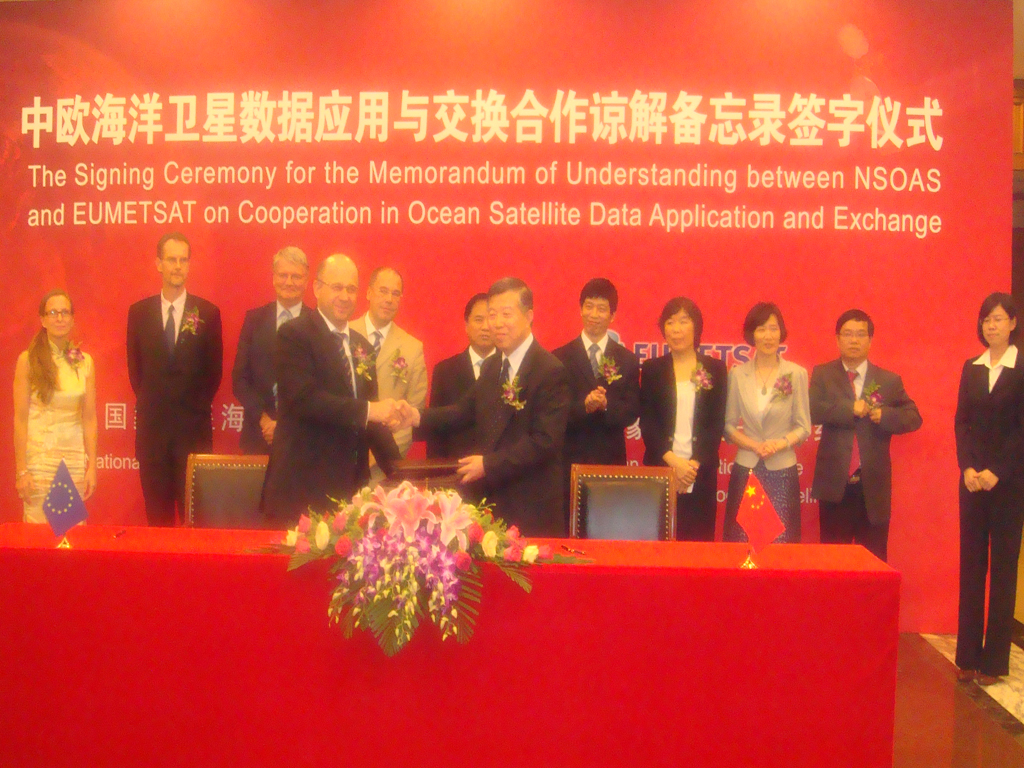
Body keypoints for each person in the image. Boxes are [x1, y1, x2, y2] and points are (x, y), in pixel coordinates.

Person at [402, 277, 570, 536]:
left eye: (506, 314)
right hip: (493, 504)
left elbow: (544, 442)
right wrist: (415, 417)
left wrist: (488, 465)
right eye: (492, 314)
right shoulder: (494, 365)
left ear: (529, 316)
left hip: (531, 507)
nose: (497, 323)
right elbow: (463, 411)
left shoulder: (550, 370)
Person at [259, 255, 402, 525]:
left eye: (351, 289)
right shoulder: (294, 334)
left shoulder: (362, 346)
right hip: (301, 490)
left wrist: (401, 474)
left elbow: (372, 420)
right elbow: (305, 400)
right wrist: (371, 410)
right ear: (317, 288)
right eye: (337, 287)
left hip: (350, 492)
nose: (345, 296)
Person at [810, 309, 922, 562]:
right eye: (848, 334)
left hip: (872, 488)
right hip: (834, 486)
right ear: (837, 339)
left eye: (861, 335)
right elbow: (812, 410)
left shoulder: (888, 380)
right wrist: (850, 408)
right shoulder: (823, 374)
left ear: (870, 340)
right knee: (832, 563)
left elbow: (914, 417)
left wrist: (886, 416)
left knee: (873, 563)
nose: (854, 340)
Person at [127, 233, 222, 527]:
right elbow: (136, 373)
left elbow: (213, 374)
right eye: (171, 259)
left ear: (189, 265)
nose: (177, 266)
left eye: (183, 260)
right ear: (159, 263)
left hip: (193, 436)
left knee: (195, 524)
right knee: (158, 523)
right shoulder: (139, 313)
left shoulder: (207, 313)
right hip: (153, 437)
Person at [953, 293, 1024, 686]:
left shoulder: (1021, 367)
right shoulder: (972, 367)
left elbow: (1020, 431)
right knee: (972, 566)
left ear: (1012, 323)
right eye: (986, 319)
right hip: (972, 482)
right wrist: (967, 467)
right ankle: (967, 656)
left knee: (1003, 570)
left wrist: (998, 470)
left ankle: (994, 662)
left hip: (1009, 484)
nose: (991, 326)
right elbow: (961, 422)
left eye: (998, 319)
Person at [554, 278, 640, 529]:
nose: (594, 314)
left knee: (607, 528)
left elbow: (632, 411)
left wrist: (605, 406)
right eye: (589, 307)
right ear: (580, 309)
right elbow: (554, 411)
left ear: (612, 316)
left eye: (601, 309)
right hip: (570, 458)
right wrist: (585, 405)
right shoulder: (559, 358)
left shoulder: (627, 360)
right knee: (568, 527)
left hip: (609, 458)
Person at [639, 297, 727, 541]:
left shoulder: (715, 368)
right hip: (661, 468)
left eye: (683, 321)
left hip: (700, 472)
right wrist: (673, 464)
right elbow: (648, 422)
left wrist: (691, 467)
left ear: (696, 327)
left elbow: (716, 423)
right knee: (658, 543)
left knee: (698, 545)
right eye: (670, 322)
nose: (676, 329)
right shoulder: (652, 369)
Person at [723, 302, 810, 543]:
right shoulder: (738, 374)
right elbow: (728, 426)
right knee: (744, 541)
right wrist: (754, 445)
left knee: (780, 543)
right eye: (761, 329)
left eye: (773, 329)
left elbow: (803, 427)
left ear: (781, 333)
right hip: (747, 467)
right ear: (752, 334)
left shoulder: (796, 374)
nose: (768, 336)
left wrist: (778, 444)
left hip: (782, 470)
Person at [14, 290, 97, 523]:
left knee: (70, 535)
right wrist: (22, 470)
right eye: (53, 313)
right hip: (39, 461)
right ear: (43, 320)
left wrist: (92, 466)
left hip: (73, 461)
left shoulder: (84, 362)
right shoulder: (28, 360)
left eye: (64, 312)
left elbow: (89, 418)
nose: (59, 318)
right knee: (39, 536)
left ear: (72, 318)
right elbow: (20, 419)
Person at [232, 246, 313, 455]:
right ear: (273, 277)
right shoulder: (254, 320)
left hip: (304, 438)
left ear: (306, 280)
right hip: (258, 434)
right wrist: (265, 420)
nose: (289, 282)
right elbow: (240, 379)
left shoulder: (318, 325)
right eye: (283, 275)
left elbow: (322, 386)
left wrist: (286, 426)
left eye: (296, 276)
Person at [351, 267, 427, 479]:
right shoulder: (344, 334)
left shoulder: (412, 348)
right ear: (368, 293)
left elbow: (414, 411)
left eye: (395, 293)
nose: (389, 299)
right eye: (383, 291)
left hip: (384, 467)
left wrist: (379, 455)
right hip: (340, 457)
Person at [426, 293, 495, 459]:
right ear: (466, 325)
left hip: (498, 467)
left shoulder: (511, 368)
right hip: (456, 466)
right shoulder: (445, 371)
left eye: (491, 320)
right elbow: (435, 429)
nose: (485, 327)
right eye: (479, 319)